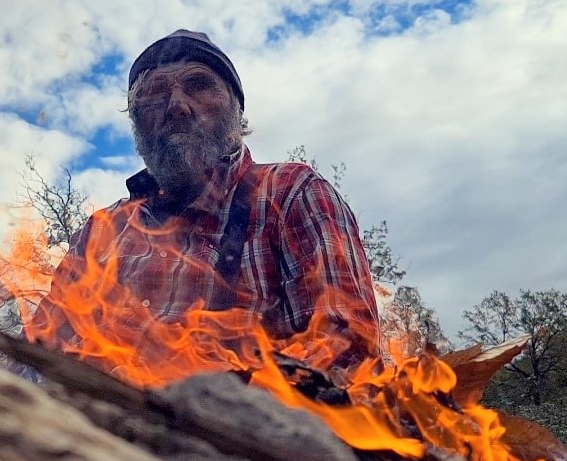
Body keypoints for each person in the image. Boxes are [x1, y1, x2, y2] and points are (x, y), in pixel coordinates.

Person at [30, 30, 379, 370]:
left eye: (198, 85)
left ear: (236, 111)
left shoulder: (289, 192)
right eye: (154, 93)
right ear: (137, 122)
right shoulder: (102, 231)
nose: (177, 106)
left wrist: (212, 406)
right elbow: (35, 355)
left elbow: (345, 345)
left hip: (233, 426)